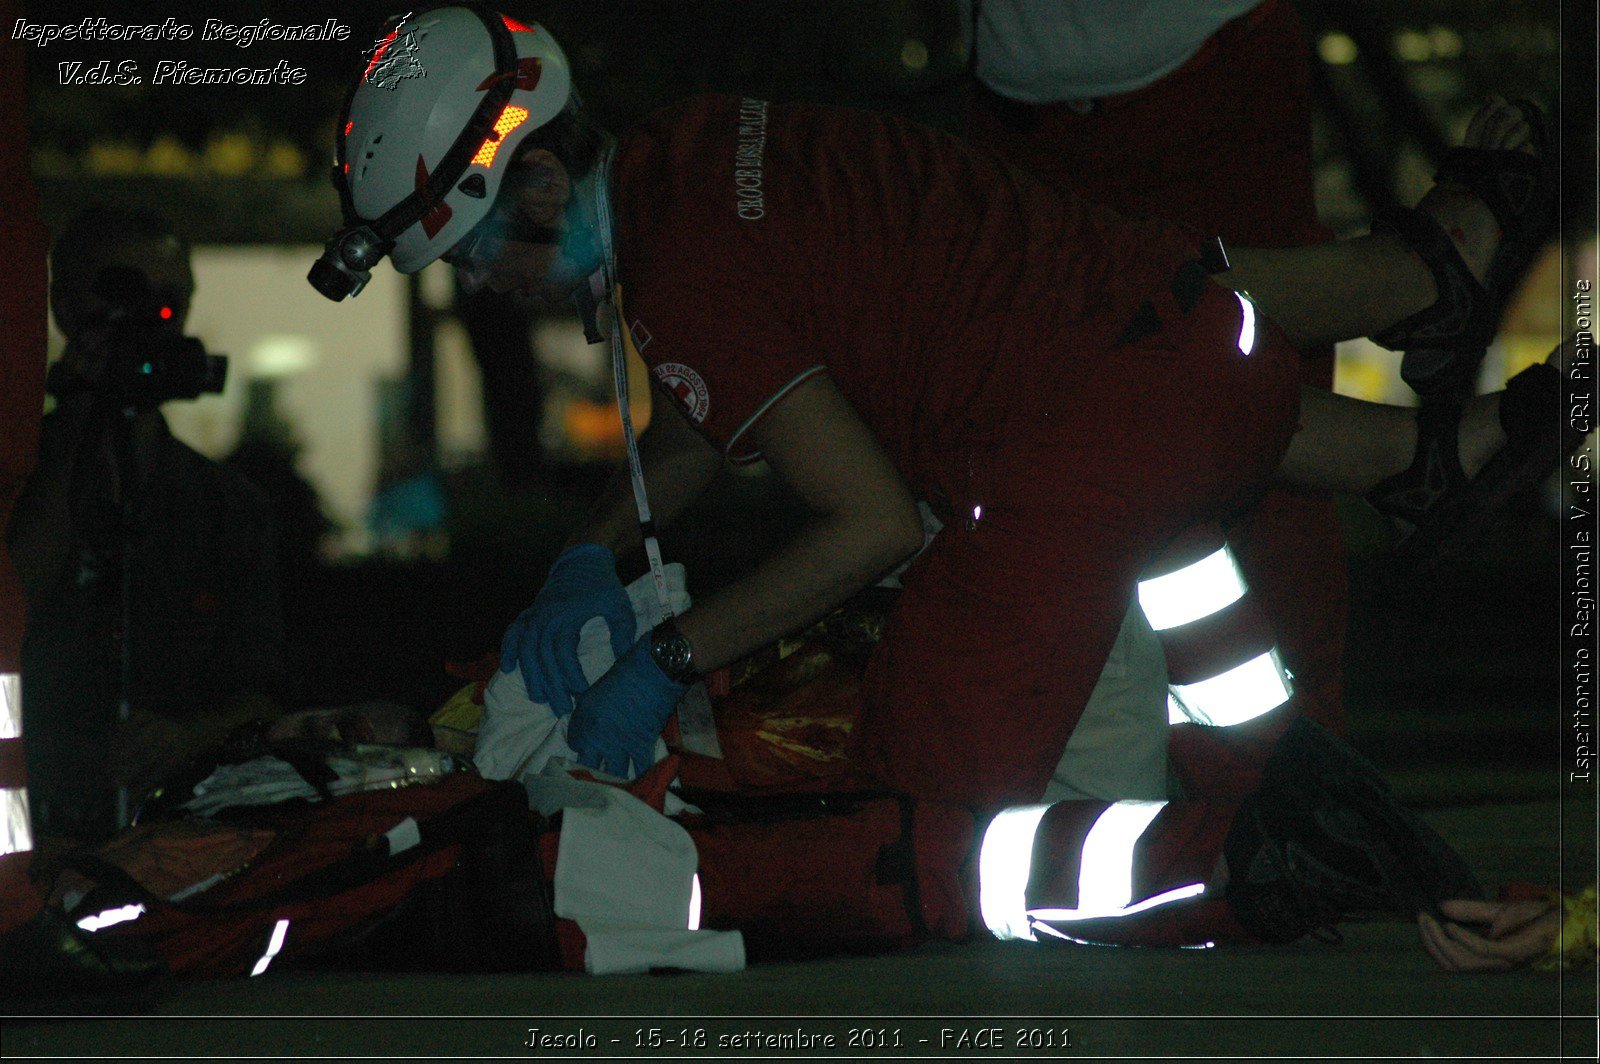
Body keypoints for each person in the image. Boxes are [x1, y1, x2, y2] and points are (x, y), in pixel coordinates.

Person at [312, 8, 1564, 947]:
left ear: (534, 181)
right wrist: (591, 550)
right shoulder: (689, 151)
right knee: (1170, 639)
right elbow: (714, 415)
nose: (487, 289)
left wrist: (667, 658)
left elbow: (867, 524)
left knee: (918, 830)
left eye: (476, 259)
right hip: (1195, 374)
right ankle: (1432, 474)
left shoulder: (684, 277)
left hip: (1078, 456)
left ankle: (1258, 862)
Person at [6, 208, 287, 841]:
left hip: (168, 834)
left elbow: (264, 688)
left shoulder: (226, 506)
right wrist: (81, 412)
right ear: (63, 302)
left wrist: (186, 736)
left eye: (169, 300)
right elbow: (19, 589)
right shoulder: (17, 481)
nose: (150, 318)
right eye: (123, 291)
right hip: (30, 825)